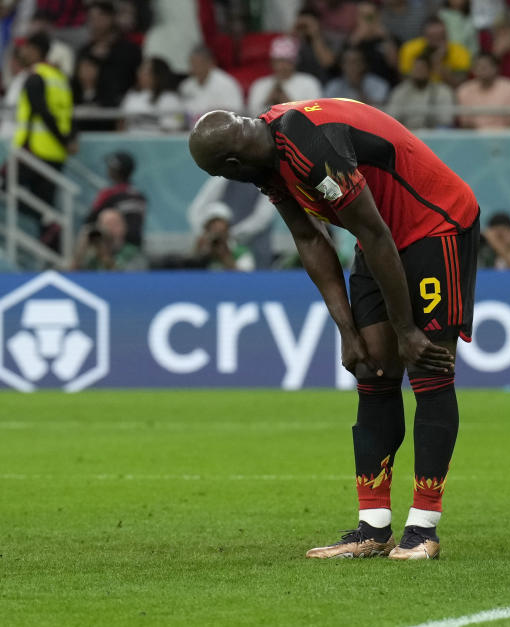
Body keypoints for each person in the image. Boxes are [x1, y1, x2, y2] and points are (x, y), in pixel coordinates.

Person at [188, 98, 480, 560]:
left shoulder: (303, 142)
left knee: (427, 368)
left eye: (223, 176)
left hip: (433, 224)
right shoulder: (265, 159)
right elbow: (310, 238)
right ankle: (373, 527)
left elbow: (377, 233)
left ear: (230, 163)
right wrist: (346, 330)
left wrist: (406, 329)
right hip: (376, 237)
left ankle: (424, 528)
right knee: (373, 370)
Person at [13, 31, 74, 239]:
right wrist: (68, 140)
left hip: (34, 150)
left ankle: (48, 219)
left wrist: (64, 140)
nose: (22, 52)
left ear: (35, 50)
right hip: (55, 154)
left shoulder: (36, 77)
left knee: (6, 187)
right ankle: (51, 235)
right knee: (44, 204)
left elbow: (43, 112)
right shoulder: (59, 78)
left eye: (25, 47)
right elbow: (68, 113)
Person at [76, 1, 141, 107]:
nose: (94, 23)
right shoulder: (85, 51)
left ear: (111, 18)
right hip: (90, 108)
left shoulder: (129, 50)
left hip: (122, 106)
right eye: (91, 19)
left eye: (99, 18)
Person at [81, 151, 147, 248]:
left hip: (115, 246)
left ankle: (76, 263)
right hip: (137, 244)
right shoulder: (139, 195)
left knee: (91, 229)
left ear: (115, 171)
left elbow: (90, 219)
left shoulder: (109, 193)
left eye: (109, 167)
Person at [247, 36, 323, 116]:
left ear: (294, 63)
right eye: (277, 62)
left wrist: (290, 105)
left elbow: (316, 114)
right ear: (271, 63)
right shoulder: (259, 85)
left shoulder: (309, 82)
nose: (281, 66)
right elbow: (251, 117)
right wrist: (267, 101)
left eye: (286, 62)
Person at [456, 52, 510, 130]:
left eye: (485, 66)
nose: (481, 70)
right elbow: (466, 124)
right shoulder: (464, 90)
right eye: (477, 66)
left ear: (496, 68)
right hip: (475, 138)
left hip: (504, 136)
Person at [386, 54, 455, 129]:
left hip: (433, 136)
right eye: (416, 68)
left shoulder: (443, 92)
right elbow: (391, 118)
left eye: (422, 68)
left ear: (430, 71)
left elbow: (446, 121)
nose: (418, 72)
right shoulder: (400, 91)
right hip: (406, 134)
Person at [397, 16, 471, 87]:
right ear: (424, 36)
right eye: (432, 36)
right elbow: (405, 82)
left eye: (441, 36)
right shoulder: (409, 49)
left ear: (447, 35)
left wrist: (439, 65)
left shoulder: (460, 51)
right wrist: (428, 66)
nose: (437, 42)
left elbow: (460, 85)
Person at [179, 45, 244, 125]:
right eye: (192, 63)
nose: (194, 68)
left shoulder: (226, 83)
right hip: (191, 130)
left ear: (210, 63)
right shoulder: (186, 85)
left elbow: (235, 114)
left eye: (198, 63)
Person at [120, 57, 185, 133]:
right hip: (131, 142)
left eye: (146, 72)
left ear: (157, 76)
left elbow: (175, 127)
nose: (140, 75)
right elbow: (121, 122)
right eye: (140, 71)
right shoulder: (131, 95)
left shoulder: (170, 99)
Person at [71, 208, 147, 272]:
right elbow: (71, 280)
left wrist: (104, 254)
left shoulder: (134, 253)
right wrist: (82, 248)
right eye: (106, 224)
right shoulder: (92, 254)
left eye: (115, 224)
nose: (110, 228)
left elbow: (122, 280)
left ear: (124, 227)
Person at [191, 202, 255, 271]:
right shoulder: (204, 251)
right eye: (212, 225)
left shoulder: (241, 252)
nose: (216, 229)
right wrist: (197, 252)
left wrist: (224, 255)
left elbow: (246, 278)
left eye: (220, 224)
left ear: (228, 228)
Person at [324, 46, 390, 107]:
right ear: (341, 65)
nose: (351, 66)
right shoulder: (333, 86)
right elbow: (327, 108)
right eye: (347, 62)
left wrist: (358, 87)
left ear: (364, 64)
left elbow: (380, 111)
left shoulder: (378, 84)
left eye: (355, 62)